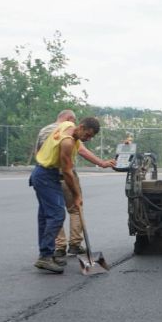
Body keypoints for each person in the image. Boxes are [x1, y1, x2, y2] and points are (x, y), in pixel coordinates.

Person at [34, 111, 115, 261]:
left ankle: (50, 252)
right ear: (80, 126)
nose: (88, 139)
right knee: (59, 214)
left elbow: (37, 151)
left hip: (43, 172)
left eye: (91, 137)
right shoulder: (68, 141)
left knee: (46, 216)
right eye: (88, 135)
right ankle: (49, 255)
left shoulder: (67, 125)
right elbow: (67, 172)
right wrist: (77, 195)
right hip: (49, 175)